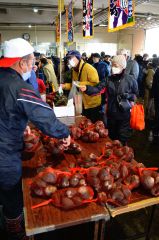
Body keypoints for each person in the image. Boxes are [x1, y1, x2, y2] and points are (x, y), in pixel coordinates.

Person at [0, 38, 71, 240]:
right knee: (12, 197)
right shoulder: (18, 86)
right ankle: (15, 233)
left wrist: (17, 126)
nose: (33, 67)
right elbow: (43, 115)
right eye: (31, 63)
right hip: (4, 154)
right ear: (21, 63)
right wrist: (64, 132)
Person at [106, 55, 138, 145]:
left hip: (124, 113)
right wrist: (87, 88)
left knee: (122, 137)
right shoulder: (109, 79)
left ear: (122, 66)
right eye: (112, 65)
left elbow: (135, 94)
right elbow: (98, 88)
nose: (113, 68)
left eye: (115, 66)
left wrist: (128, 96)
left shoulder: (130, 80)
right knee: (111, 136)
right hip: (111, 113)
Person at [62, 50, 102, 123]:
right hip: (81, 102)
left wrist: (79, 84)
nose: (69, 60)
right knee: (84, 124)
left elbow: (96, 84)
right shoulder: (74, 70)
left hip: (92, 103)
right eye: (68, 58)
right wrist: (65, 86)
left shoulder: (89, 68)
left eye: (71, 58)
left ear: (78, 58)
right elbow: (74, 85)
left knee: (93, 125)